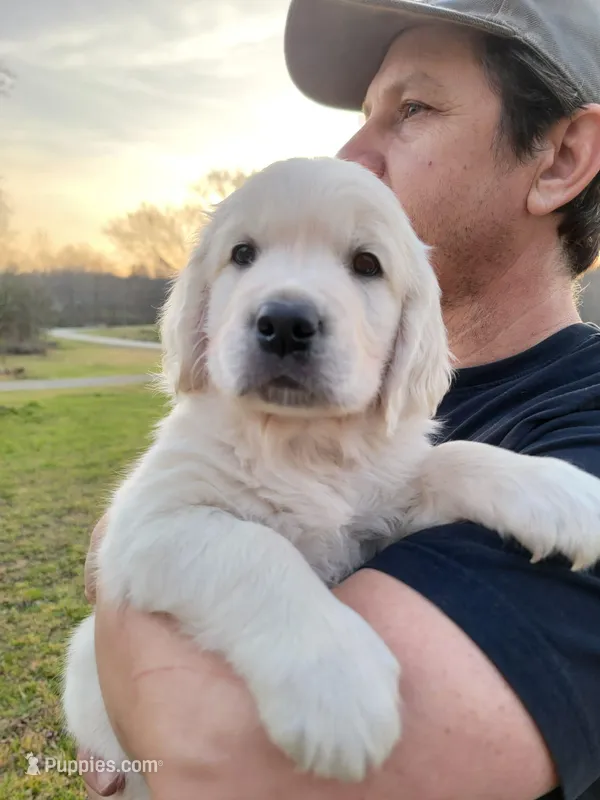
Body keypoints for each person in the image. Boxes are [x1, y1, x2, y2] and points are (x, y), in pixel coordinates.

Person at [80, 1, 600, 798]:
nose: (353, 155)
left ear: (562, 157)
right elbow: (145, 540)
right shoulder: (389, 431)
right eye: (244, 253)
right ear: (197, 317)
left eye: (413, 109)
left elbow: (230, 768)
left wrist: (137, 564)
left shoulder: (579, 428)